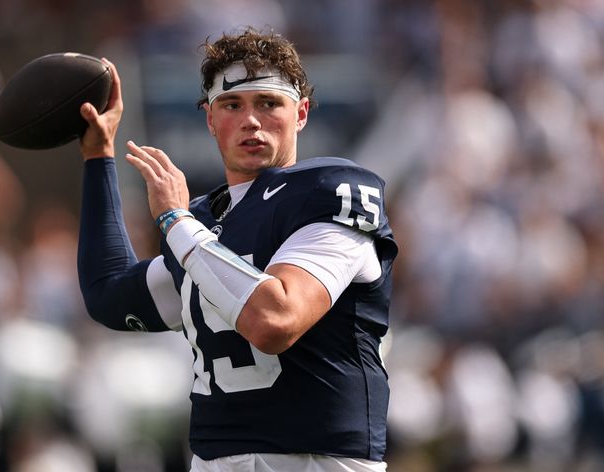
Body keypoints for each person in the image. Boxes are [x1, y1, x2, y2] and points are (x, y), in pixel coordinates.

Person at [77, 28, 398, 472]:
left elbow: (274, 320)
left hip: (316, 462)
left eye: (269, 103)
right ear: (210, 119)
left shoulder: (329, 193)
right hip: (215, 461)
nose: (251, 121)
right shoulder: (204, 225)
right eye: (233, 105)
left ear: (301, 113)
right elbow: (108, 294)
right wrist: (99, 158)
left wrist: (175, 223)